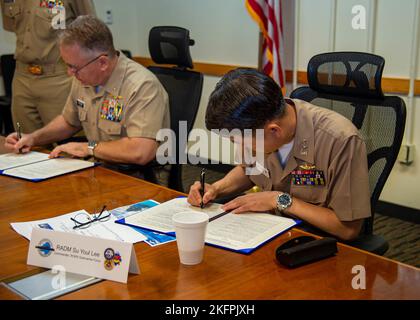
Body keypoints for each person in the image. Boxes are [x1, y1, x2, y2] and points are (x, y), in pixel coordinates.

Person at [188, 68, 371, 241]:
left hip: (313, 241)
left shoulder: (340, 140)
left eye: (237, 140)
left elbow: (348, 229)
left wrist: (278, 200)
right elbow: (249, 170)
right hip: (264, 229)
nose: (236, 144)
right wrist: (216, 189)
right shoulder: (257, 122)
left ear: (274, 131)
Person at [5, 15, 169, 167]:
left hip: (136, 178)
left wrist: (89, 147)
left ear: (102, 62)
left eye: (73, 67)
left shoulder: (141, 85)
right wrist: (34, 138)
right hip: (97, 168)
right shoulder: (85, 77)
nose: (70, 73)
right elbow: (69, 121)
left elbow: (141, 151)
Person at [1, 0, 96, 134]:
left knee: (65, 145)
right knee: (25, 144)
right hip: (22, 79)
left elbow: (91, 28)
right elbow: (10, 26)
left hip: (59, 79)